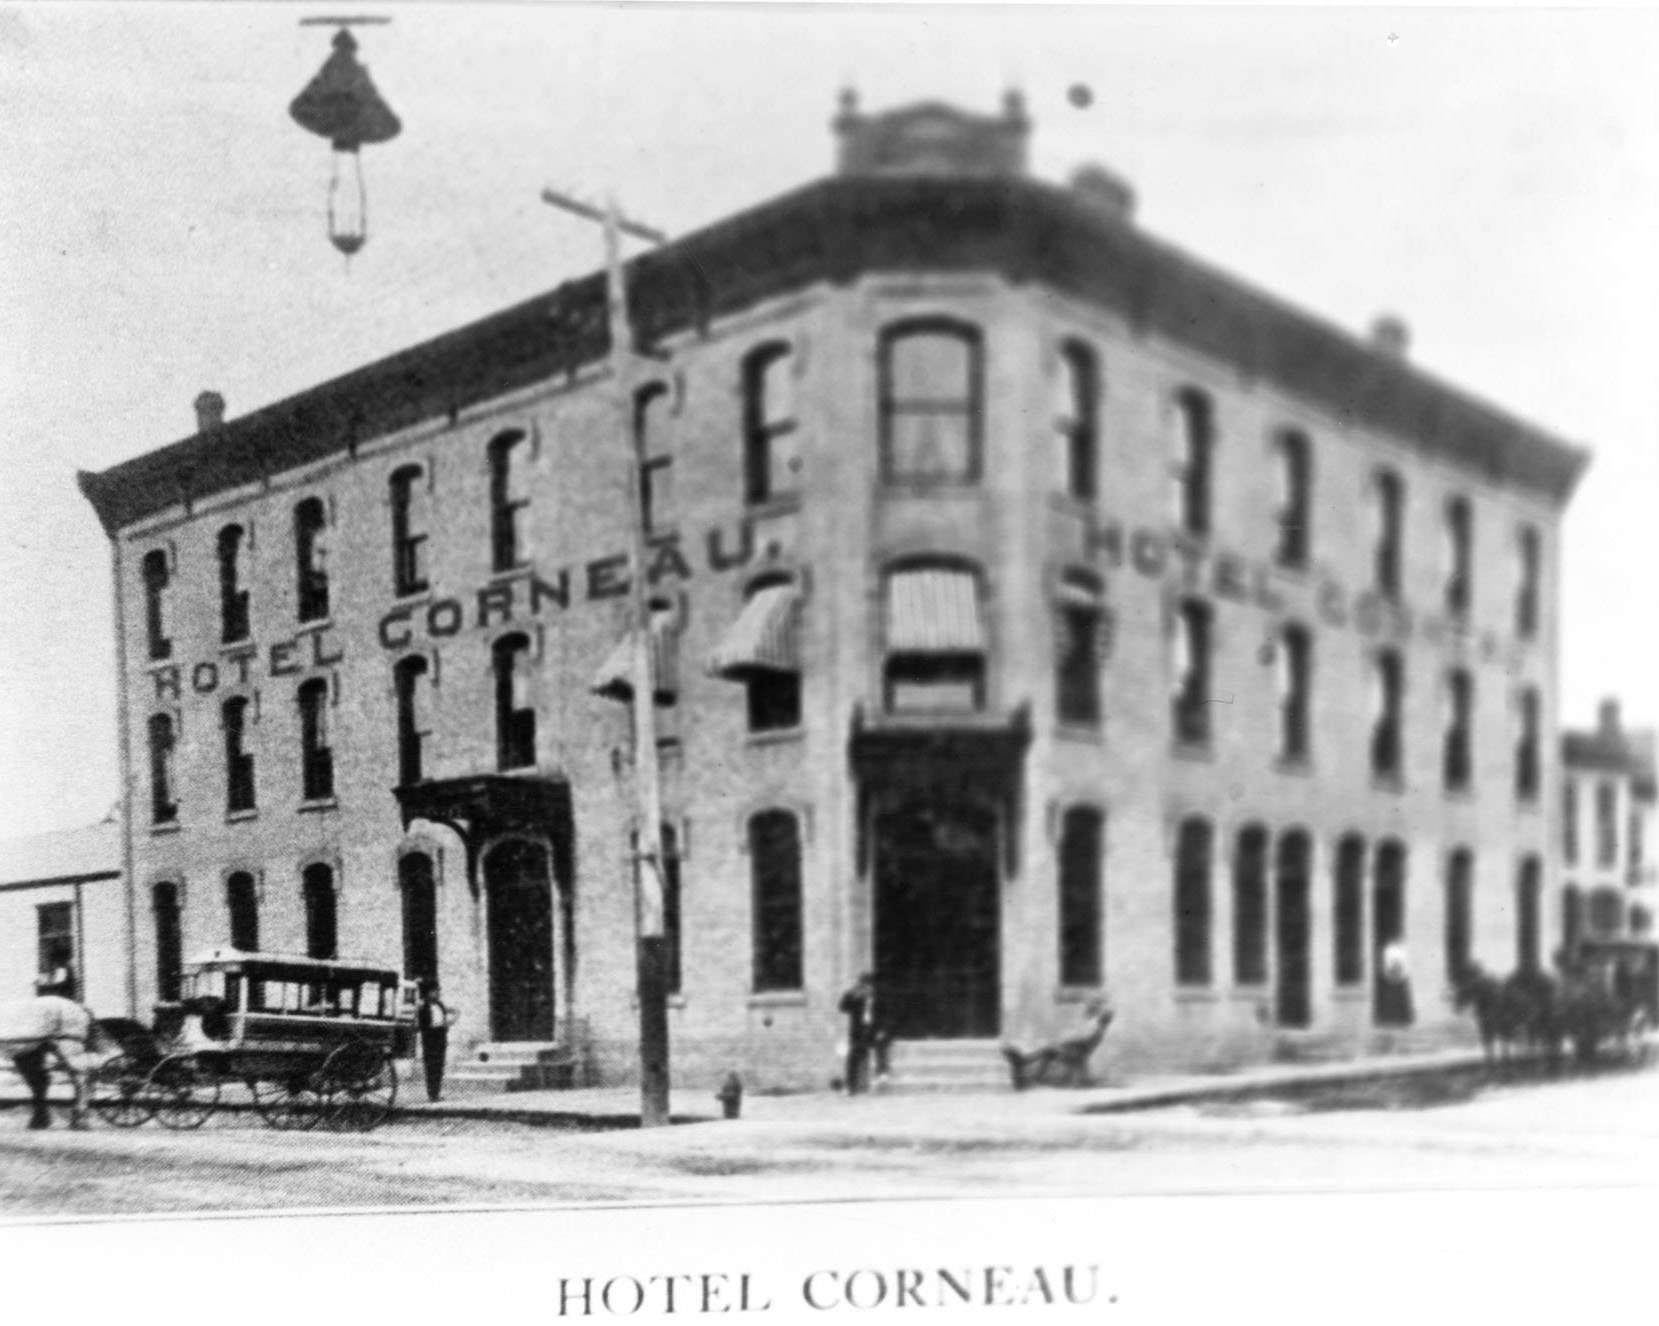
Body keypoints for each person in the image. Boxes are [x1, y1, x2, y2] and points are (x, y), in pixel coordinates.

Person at [837, 973, 889, 1094]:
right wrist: (851, 993)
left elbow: (885, 1015)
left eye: (869, 987)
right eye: (864, 987)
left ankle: (882, 1072)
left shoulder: (878, 998)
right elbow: (842, 1007)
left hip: (874, 1030)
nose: (867, 990)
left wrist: (882, 1030)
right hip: (859, 1032)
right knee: (853, 1055)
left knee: (881, 1043)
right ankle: (851, 1087)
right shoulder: (856, 998)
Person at [416, 979, 456, 1102]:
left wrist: (449, 1021)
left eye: (438, 991)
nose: (437, 993)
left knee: (439, 1065)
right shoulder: (423, 1006)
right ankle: (432, 1094)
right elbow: (423, 1025)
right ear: (428, 993)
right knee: (431, 1066)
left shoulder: (440, 1004)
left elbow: (444, 1016)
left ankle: (437, 1093)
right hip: (430, 1039)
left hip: (440, 1037)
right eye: (435, 991)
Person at [1381, 937, 1415, 1026]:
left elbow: (1405, 964)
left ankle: (1402, 1019)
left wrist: (1403, 973)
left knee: (1401, 998)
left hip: (1401, 977)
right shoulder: (1389, 950)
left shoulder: (1402, 949)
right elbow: (1387, 964)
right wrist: (1390, 973)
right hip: (1392, 977)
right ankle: (1391, 1018)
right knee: (1392, 998)